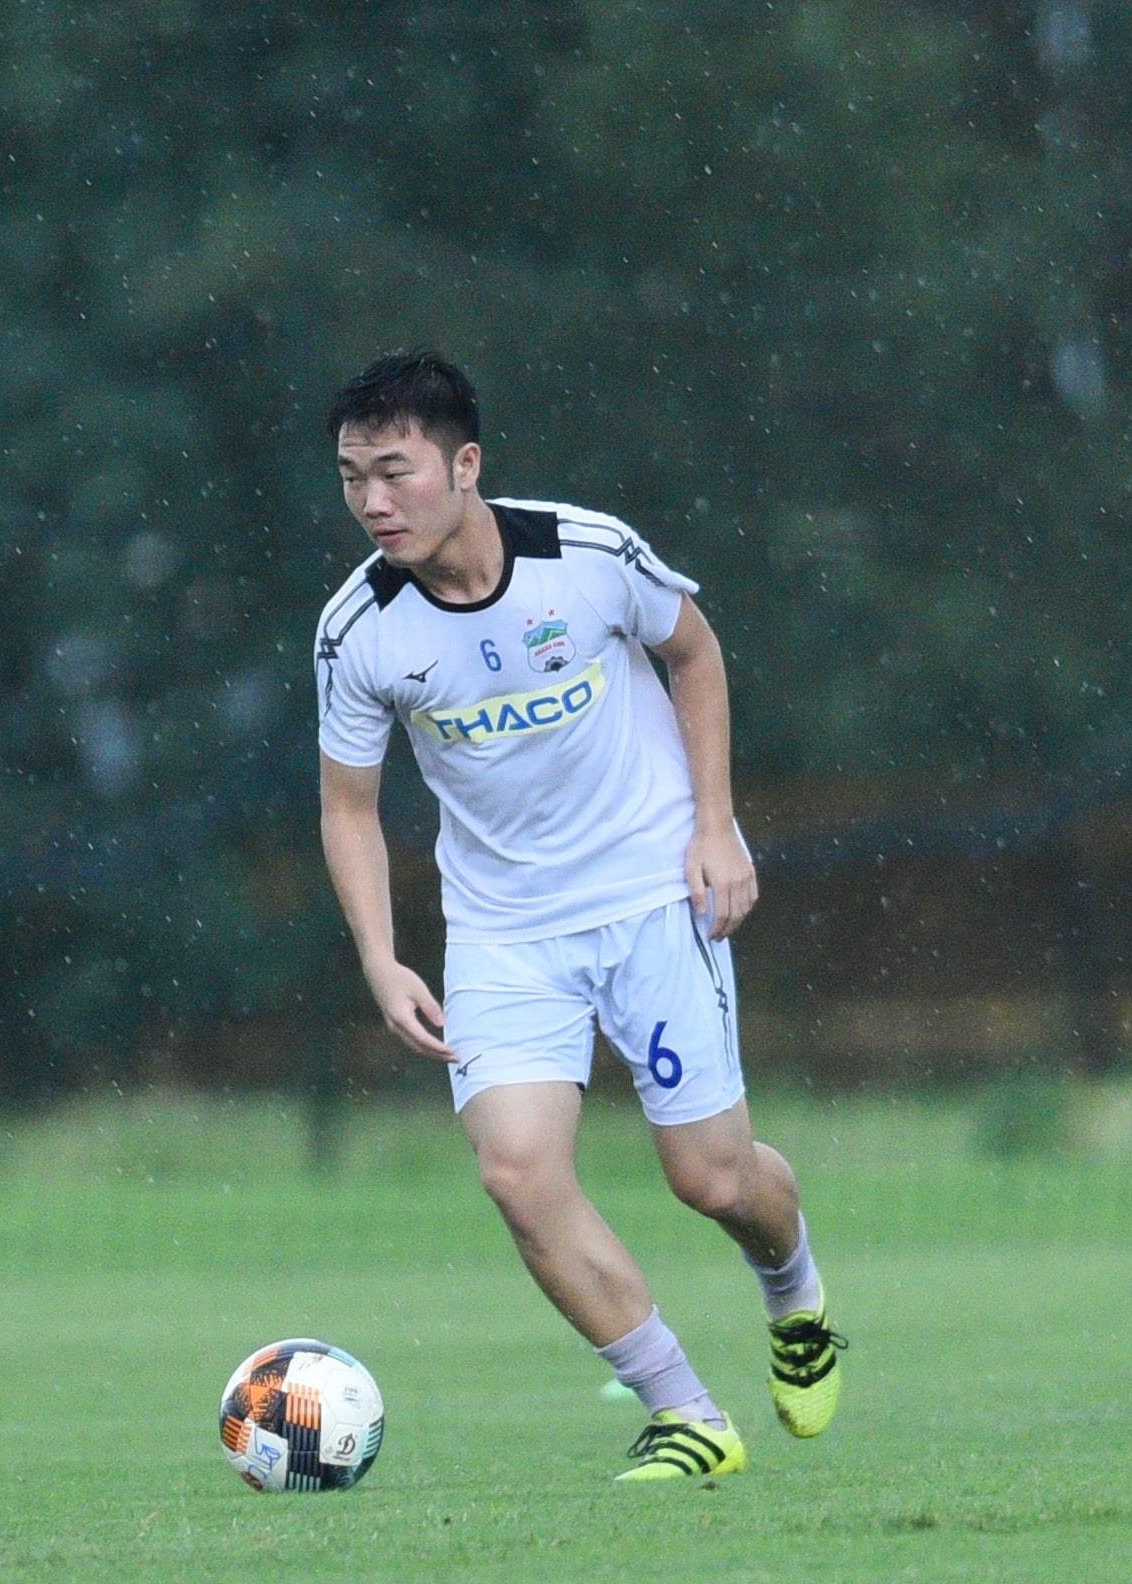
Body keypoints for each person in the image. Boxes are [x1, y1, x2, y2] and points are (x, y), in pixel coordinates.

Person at [313, 351, 844, 1482]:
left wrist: (717, 826)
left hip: (654, 897)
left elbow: (692, 651)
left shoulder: (585, 554)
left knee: (710, 1179)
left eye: (394, 472)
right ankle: (686, 1414)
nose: (372, 501)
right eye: (353, 477)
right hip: (505, 931)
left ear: (464, 465)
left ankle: (796, 1300)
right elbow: (348, 808)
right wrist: (379, 955)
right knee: (514, 1171)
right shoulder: (358, 630)